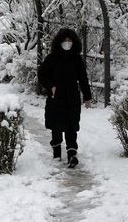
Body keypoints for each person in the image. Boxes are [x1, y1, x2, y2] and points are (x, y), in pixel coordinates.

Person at [37, 28, 92, 168]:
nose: (67, 43)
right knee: (56, 127)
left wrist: (87, 96)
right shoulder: (51, 58)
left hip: (72, 99)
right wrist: (51, 86)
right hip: (56, 99)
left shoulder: (76, 59)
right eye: (65, 41)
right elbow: (42, 75)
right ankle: (56, 154)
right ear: (59, 42)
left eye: (70, 41)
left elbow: (83, 78)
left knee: (71, 127)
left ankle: (72, 155)